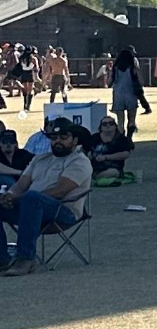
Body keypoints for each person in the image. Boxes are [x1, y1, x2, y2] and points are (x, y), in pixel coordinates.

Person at [0, 117, 92, 275]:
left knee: (32, 198)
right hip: (30, 207)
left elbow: (60, 191)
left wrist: (20, 198)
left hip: (63, 211)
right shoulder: (40, 159)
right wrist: (9, 195)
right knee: (16, 199)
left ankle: (26, 259)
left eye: (63, 138)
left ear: (74, 140)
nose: (58, 141)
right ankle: (2, 259)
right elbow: (21, 185)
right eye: (54, 138)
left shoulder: (79, 161)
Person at [109, 47, 149, 137]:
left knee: (120, 120)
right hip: (130, 93)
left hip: (118, 94)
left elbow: (110, 81)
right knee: (131, 119)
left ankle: (121, 137)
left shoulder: (115, 68)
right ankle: (129, 137)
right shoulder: (133, 68)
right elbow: (141, 81)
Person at [91, 115, 134, 180]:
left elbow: (125, 154)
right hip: (94, 167)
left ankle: (95, 177)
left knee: (113, 172)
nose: (108, 125)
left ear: (115, 126)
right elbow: (85, 149)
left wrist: (106, 157)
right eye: (104, 124)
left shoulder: (121, 139)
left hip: (114, 167)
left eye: (111, 123)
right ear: (101, 127)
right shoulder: (94, 137)